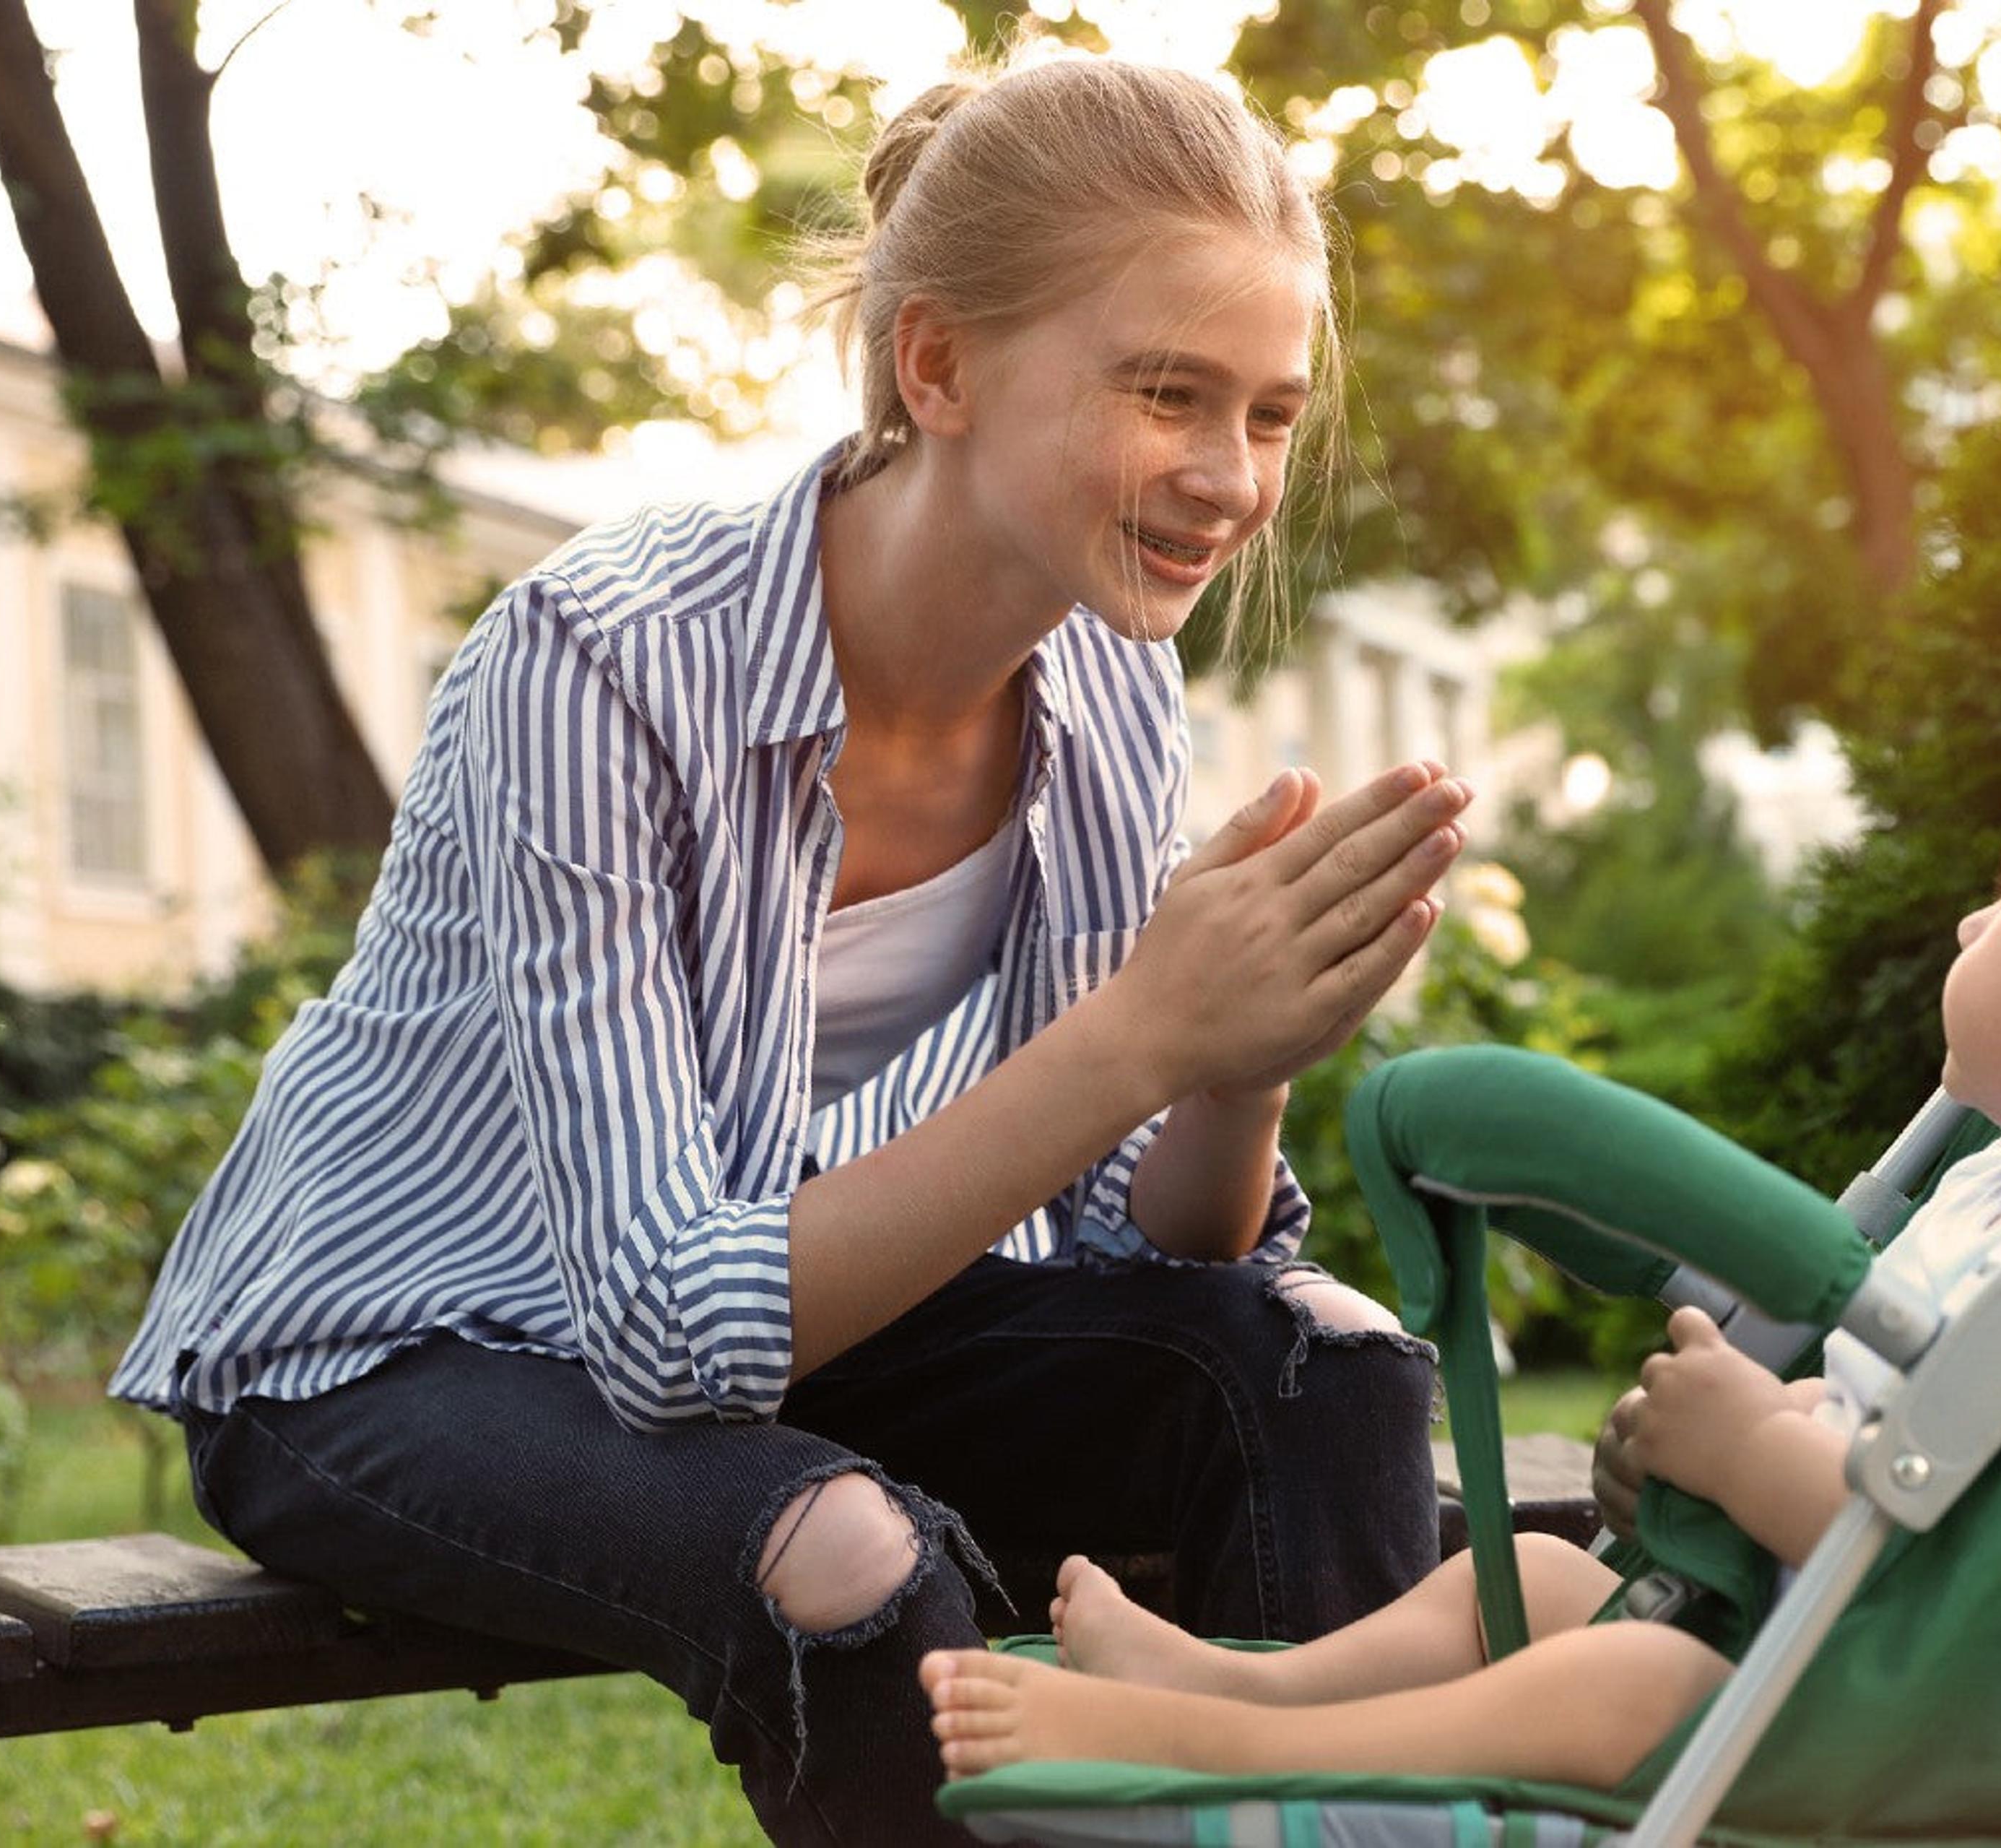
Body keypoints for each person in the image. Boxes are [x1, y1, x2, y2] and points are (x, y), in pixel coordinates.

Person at [110, 53, 1464, 1846]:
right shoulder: (596, 665)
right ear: (940, 365)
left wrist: (1239, 1044)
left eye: (1271, 415)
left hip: (742, 1327)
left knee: (1325, 1359)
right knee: (844, 1556)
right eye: (1168, 395)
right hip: (382, 1355)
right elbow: (670, 1327)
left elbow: (1145, 1246)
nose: (1228, 478)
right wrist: (1144, 1029)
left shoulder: (1110, 681)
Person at [920, 687, 2001, 1795]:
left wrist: (1753, 1452)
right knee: (1525, 1578)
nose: (1972, 916)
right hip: (1791, 1645)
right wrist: (1717, 1447)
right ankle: (1236, 1687)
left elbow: (1992, 1564)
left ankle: (1213, 1749)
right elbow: (1876, 1415)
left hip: (1902, 1735)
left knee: (1625, 1690)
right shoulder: (1992, 1195)